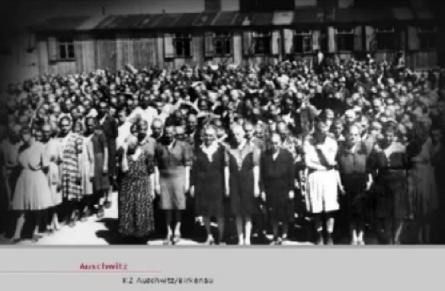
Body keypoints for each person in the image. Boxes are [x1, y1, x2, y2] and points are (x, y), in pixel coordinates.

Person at [368, 122, 408, 245]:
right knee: (386, 214)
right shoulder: (377, 148)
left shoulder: (401, 148)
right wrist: (374, 180)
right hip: (383, 184)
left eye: (391, 136)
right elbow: (371, 167)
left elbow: (407, 166)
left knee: (398, 213)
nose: (388, 138)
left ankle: (396, 238)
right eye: (386, 135)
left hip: (398, 184)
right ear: (383, 135)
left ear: (395, 136)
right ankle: (388, 239)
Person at [11, 127, 52, 243]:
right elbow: (19, 164)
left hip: (37, 178)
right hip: (24, 178)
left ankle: (36, 230)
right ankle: (17, 233)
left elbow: (46, 166)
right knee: (21, 207)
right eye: (22, 135)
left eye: (26, 134)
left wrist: (45, 182)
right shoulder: (21, 148)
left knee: (37, 206)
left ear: (31, 134)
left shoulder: (40, 147)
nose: (24, 138)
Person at [190, 125, 229, 245]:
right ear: (203, 136)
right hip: (202, 185)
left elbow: (226, 168)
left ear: (215, 136)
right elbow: (194, 169)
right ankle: (209, 236)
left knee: (219, 213)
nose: (208, 138)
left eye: (211, 135)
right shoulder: (198, 150)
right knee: (205, 212)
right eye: (206, 135)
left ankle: (221, 237)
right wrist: (192, 185)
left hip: (218, 184)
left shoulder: (222, 149)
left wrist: (226, 186)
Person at [303, 116, 339, 245]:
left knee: (329, 208)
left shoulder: (332, 142)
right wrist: (323, 167)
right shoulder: (308, 141)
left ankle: (329, 234)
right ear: (315, 129)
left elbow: (331, 161)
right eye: (319, 130)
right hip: (315, 176)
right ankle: (319, 235)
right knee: (317, 208)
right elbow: (308, 162)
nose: (322, 133)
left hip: (329, 177)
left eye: (324, 130)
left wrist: (321, 149)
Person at [154, 124, 191, 245]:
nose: (168, 135)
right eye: (166, 133)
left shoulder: (182, 146)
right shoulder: (159, 146)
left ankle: (177, 230)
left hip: (179, 177)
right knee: (167, 206)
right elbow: (156, 166)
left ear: (175, 134)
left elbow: (187, 165)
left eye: (171, 133)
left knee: (178, 206)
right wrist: (156, 184)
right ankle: (168, 232)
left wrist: (187, 182)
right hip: (164, 178)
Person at [336, 124, 373, 245]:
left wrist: (370, 179)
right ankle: (353, 236)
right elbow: (337, 169)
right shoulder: (341, 150)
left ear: (359, 136)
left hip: (361, 181)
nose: (353, 137)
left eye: (356, 135)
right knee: (350, 211)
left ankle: (361, 236)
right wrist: (339, 184)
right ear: (346, 135)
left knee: (361, 211)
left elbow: (369, 167)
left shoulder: (364, 148)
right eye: (350, 134)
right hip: (347, 181)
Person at [226, 125, 260, 245]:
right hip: (235, 182)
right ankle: (240, 239)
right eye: (234, 134)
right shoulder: (230, 147)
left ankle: (248, 239)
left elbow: (256, 167)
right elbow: (227, 167)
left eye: (238, 134)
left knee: (247, 212)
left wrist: (256, 186)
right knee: (237, 212)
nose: (236, 137)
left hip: (248, 182)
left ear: (243, 133)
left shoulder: (252, 147)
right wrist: (227, 186)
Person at [118, 135, 155, 243]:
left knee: (142, 211)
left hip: (142, 186)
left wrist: (152, 189)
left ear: (136, 144)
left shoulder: (145, 154)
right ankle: (129, 236)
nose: (131, 147)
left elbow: (151, 172)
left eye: (132, 145)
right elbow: (124, 169)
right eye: (129, 145)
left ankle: (142, 237)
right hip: (128, 186)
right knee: (128, 211)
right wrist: (124, 153)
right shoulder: (124, 154)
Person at [406, 122, 438, 243]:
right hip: (417, 175)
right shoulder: (411, 144)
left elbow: (432, 155)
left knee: (426, 208)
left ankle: (426, 238)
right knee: (419, 207)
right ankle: (419, 238)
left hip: (425, 176)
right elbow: (409, 159)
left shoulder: (428, 141)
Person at [260, 133, 295, 245]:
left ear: (280, 143)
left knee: (284, 214)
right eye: (272, 143)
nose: (274, 145)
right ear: (269, 143)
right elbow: (262, 174)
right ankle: (275, 236)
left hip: (284, 188)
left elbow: (291, 173)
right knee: (273, 214)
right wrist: (263, 190)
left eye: (277, 143)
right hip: (271, 189)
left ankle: (284, 236)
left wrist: (291, 189)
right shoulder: (265, 155)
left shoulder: (287, 155)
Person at [58, 116, 83, 226]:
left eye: (66, 125)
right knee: (64, 194)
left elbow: (80, 155)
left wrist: (79, 171)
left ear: (71, 125)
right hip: (61, 170)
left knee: (72, 195)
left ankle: (73, 215)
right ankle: (65, 216)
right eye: (62, 125)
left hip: (72, 169)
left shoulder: (76, 137)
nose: (64, 128)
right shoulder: (58, 138)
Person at [41, 123, 63, 233]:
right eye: (44, 132)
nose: (45, 134)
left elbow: (60, 162)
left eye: (48, 132)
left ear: (51, 132)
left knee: (54, 198)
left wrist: (60, 178)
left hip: (53, 172)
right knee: (45, 199)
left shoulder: (56, 144)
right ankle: (47, 222)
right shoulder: (39, 144)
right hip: (42, 174)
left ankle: (55, 220)